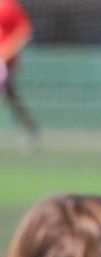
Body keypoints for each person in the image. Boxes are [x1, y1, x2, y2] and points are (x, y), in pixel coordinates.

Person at [0, 0, 38, 154]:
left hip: (5, 64)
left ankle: (29, 128)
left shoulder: (7, 6)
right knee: (11, 97)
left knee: (11, 98)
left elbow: (24, 31)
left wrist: (7, 52)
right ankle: (29, 127)